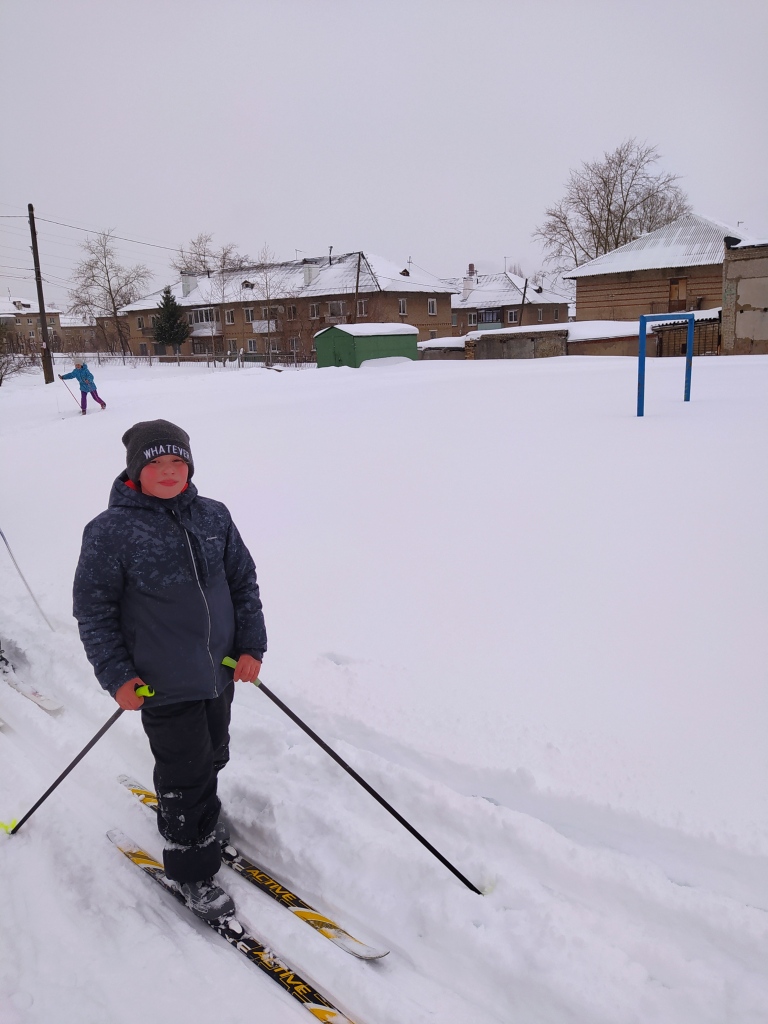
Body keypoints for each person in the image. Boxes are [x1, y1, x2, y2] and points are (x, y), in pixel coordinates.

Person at [72, 419, 267, 921]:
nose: (168, 471)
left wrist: (251, 645)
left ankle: (201, 813)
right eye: (155, 463)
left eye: (177, 461)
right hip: (160, 680)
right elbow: (94, 610)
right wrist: (116, 675)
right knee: (186, 771)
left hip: (218, 671)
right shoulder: (110, 531)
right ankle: (192, 869)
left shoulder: (214, 516)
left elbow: (243, 583)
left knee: (215, 750)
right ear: (135, 470)